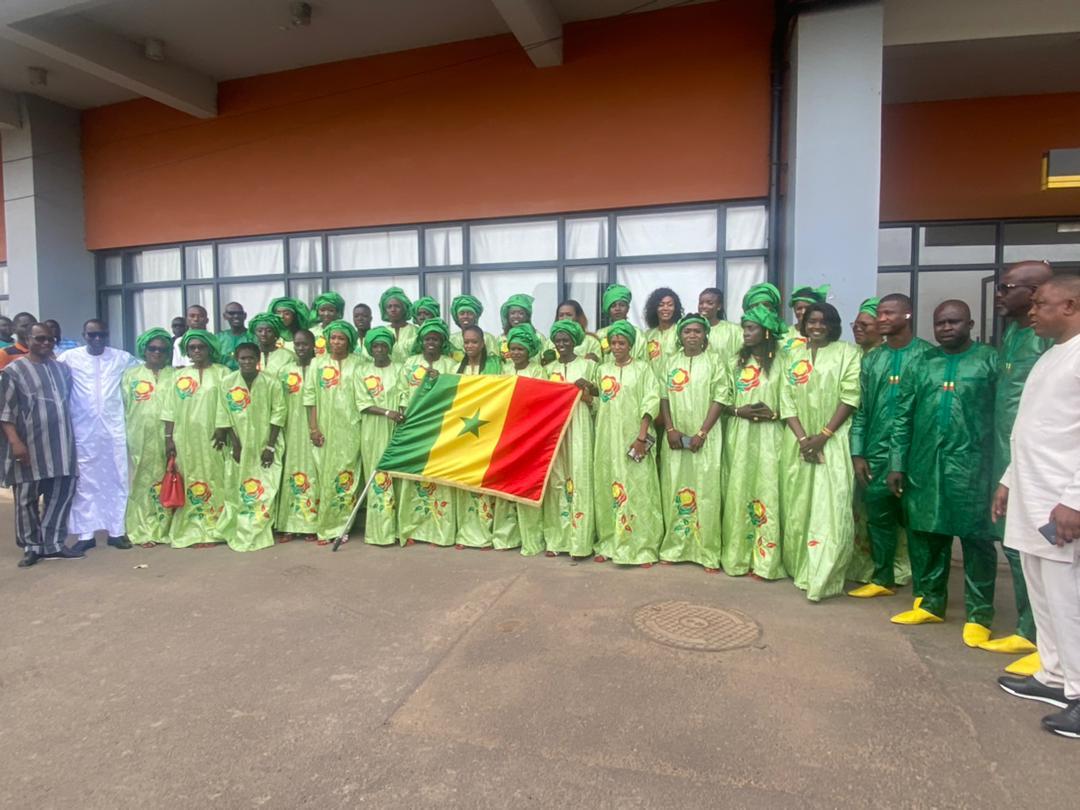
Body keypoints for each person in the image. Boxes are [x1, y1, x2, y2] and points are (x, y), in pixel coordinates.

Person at [993, 274, 1080, 739]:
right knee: (1043, 592)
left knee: (1070, 598)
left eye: (1041, 303)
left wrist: (1075, 500)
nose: (1031, 310)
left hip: (1061, 504)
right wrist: (1008, 480)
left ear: (1069, 305)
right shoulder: (1052, 355)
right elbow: (1035, 427)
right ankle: (1054, 676)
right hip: (1033, 493)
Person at [888, 300, 999, 647]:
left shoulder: (989, 361)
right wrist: (897, 462)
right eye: (940, 323)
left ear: (970, 323)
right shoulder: (923, 362)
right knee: (926, 536)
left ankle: (979, 614)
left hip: (974, 466)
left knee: (976, 540)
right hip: (925, 463)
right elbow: (902, 416)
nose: (946, 328)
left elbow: (1003, 417)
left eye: (954, 322)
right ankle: (930, 602)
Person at [984, 260, 1055, 671]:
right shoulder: (1013, 333)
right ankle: (1031, 631)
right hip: (1008, 454)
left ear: (1034, 294)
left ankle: (1041, 639)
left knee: (1042, 551)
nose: (999, 293)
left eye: (1006, 286)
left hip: (1043, 464)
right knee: (1015, 547)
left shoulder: (1051, 341)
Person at [780, 302, 861, 601]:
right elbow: (785, 399)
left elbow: (850, 396)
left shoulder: (847, 354)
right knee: (799, 506)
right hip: (797, 441)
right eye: (811, 321)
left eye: (823, 321)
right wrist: (804, 440)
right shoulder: (793, 355)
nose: (816, 326)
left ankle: (823, 575)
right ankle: (800, 567)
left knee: (831, 508)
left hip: (834, 440)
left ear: (833, 325)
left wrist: (823, 436)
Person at [847, 294, 925, 599]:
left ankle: (927, 589)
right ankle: (882, 579)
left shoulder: (926, 356)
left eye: (888, 313)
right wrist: (857, 452)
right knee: (878, 518)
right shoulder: (872, 359)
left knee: (917, 522)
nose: (881, 319)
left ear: (907, 316)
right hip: (875, 453)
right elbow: (863, 409)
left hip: (915, 453)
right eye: (879, 314)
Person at [0, 323, 82, 566]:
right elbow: (5, 412)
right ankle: (32, 546)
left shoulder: (62, 370)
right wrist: (15, 442)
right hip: (29, 446)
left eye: (50, 339)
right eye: (40, 339)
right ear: (27, 339)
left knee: (61, 494)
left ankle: (53, 544)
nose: (46, 343)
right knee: (26, 498)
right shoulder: (13, 371)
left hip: (62, 445)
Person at [657, 313, 731, 571]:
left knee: (706, 491)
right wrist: (670, 428)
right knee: (675, 486)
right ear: (680, 335)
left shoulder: (715, 362)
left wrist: (702, 433)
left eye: (697, 332)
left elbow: (720, 398)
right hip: (675, 437)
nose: (692, 336)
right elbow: (663, 397)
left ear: (705, 335)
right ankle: (674, 548)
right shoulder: (670, 362)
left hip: (706, 438)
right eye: (687, 331)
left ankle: (707, 553)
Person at [59, 319, 138, 552]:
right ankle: (86, 534)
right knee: (85, 483)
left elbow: (144, 372)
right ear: (83, 335)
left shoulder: (122, 358)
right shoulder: (69, 358)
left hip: (113, 430)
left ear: (107, 335)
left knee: (118, 478)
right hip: (83, 431)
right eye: (92, 335)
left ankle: (117, 531)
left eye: (102, 335)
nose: (97, 340)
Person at [720, 305, 787, 578]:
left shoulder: (783, 361)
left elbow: (794, 397)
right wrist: (739, 411)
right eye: (744, 328)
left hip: (772, 436)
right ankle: (737, 557)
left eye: (752, 328)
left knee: (768, 490)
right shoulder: (735, 362)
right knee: (739, 490)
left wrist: (776, 413)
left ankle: (766, 560)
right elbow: (720, 398)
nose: (745, 333)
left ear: (766, 331)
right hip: (740, 433)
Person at [592, 320, 663, 567]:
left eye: (622, 342)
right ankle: (610, 543)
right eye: (613, 343)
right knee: (608, 487)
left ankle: (643, 548)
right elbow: (595, 403)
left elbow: (650, 401)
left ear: (631, 344)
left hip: (635, 438)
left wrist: (642, 437)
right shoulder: (602, 370)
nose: (617, 347)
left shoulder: (643, 369)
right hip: (607, 440)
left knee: (639, 490)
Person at [162, 330, 229, 547]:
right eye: (193, 348)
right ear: (187, 351)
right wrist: (169, 437)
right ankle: (192, 528)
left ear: (210, 348)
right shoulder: (179, 377)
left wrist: (222, 427)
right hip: (186, 437)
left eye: (201, 347)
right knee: (189, 475)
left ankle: (216, 527)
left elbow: (228, 404)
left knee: (217, 477)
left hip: (215, 436)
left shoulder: (223, 373)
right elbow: (169, 409)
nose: (197, 351)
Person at [216, 343, 285, 552]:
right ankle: (240, 528)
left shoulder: (271, 382)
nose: (247, 362)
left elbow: (279, 413)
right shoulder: (227, 382)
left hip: (267, 442)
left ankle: (259, 529)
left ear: (258, 360)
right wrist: (235, 444)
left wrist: (270, 447)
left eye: (251, 358)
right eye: (243, 359)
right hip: (239, 443)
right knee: (239, 485)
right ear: (237, 360)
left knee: (266, 486)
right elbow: (223, 413)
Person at [396, 318, 458, 547]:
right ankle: (412, 528)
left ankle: (439, 532)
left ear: (442, 343)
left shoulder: (451, 365)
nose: (431, 343)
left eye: (436, 339)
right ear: (421, 341)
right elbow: (402, 391)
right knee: (413, 475)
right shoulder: (410, 363)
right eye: (427, 339)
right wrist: (403, 416)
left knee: (439, 477)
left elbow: (456, 393)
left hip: (440, 427)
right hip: (414, 425)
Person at [304, 320, 364, 545]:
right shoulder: (316, 364)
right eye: (333, 338)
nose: (336, 342)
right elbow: (309, 398)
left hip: (352, 428)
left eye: (341, 338)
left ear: (348, 340)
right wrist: (313, 428)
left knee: (348, 476)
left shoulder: (360, 364)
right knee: (326, 476)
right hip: (325, 429)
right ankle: (325, 526)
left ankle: (342, 527)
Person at [542, 319, 598, 558]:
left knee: (580, 478)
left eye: (566, 340)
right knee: (556, 480)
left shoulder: (588, 367)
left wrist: (585, 391)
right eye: (558, 340)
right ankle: (557, 540)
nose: (562, 344)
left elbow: (598, 401)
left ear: (575, 341)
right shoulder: (548, 370)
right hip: (555, 430)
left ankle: (580, 542)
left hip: (580, 426)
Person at [492, 324, 547, 555]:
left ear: (529, 351)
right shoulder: (503, 370)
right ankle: (505, 537)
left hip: (530, 436)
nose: (516, 353)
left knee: (526, 485)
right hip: (507, 434)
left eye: (521, 349)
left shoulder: (538, 372)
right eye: (513, 349)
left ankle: (531, 539)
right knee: (505, 485)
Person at [122, 328, 176, 547]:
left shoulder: (176, 375)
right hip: (139, 437)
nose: (157, 352)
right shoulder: (130, 376)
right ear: (144, 350)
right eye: (152, 348)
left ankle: (164, 528)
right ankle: (142, 529)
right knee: (141, 483)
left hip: (170, 437)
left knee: (167, 480)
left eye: (162, 349)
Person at [452, 324, 503, 550]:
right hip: (463, 431)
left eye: (474, 342)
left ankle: (485, 533)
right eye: (467, 342)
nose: (470, 346)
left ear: (483, 343)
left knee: (485, 478)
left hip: (487, 428)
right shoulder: (456, 368)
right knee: (465, 479)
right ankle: (466, 533)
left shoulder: (494, 367)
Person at [357, 327, 404, 547]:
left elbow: (405, 395)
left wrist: (401, 412)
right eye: (375, 346)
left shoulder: (400, 369)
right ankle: (379, 532)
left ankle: (398, 529)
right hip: (372, 430)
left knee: (397, 478)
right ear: (370, 349)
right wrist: (387, 412)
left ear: (389, 348)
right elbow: (363, 403)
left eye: (383, 346)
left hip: (396, 430)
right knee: (377, 477)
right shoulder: (362, 371)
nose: (379, 350)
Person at [274, 329, 320, 542]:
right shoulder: (284, 371)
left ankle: (312, 525)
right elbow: (277, 402)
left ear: (314, 346)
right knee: (291, 470)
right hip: (291, 428)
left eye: (305, 344)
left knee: (314, 471)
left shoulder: (321, 368)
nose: (301, 348)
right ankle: (289, 524)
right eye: (298, 344)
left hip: (316, 426)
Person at [596, 284, 645, 361]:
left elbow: (644, 363)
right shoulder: (600, 334)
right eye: (613, 306)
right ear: (608, 309)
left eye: (622, 305)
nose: (617, 309)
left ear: (628, 308)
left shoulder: (638, 334)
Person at [498, 295, 550, 364]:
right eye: (512, 313)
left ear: (527, 316)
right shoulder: (501, 339)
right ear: (508, 316)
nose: (516, 317)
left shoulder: (538, 337)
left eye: (521, 313)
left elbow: (545, 362)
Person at [449, 294, 500, 362]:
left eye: (470, 313)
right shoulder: (451, 340)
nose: (465, 316)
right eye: (462, 313)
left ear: (476, 317)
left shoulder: (488, 338)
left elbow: (495, 362)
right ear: (457, 317)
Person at [643, 287, 684, 370]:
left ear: (675, 308)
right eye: (661, 305)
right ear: (654, 308)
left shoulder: (681, 332)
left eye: (670, 305)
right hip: (651, 382)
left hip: (675, 381)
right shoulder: (648, 335)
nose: (665, 308)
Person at [697, 288, 741, 363]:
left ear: (719, 306)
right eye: (701, 303)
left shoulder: (734, 330)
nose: (704, 306)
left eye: (709, 303)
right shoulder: (692, 330)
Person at [250, 312, 298, 378]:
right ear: (255, 333)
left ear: (276, 333)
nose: (263, 334)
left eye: (269, 331)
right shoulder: (249, 355)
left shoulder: (289, 356)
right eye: (260, 331)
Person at [380, 287, 417, 364]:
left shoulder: (416, 331)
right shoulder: (382, 332)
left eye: (397, 306)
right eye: (389, 307)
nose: (393, 310)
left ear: (404, 308)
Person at [215, 302, 253, 371]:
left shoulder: (253, 337)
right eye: (231, 313)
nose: (236, 316)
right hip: (223, 379)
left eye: (239, 313)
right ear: (225, 316)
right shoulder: (218, 338)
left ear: (245, 316)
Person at [310, 291, 346, 357]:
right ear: (317, 312)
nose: (326, 314)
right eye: (322, 310)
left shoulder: (344, 331)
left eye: (331, 310)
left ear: (337, 312)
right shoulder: (311, 332)